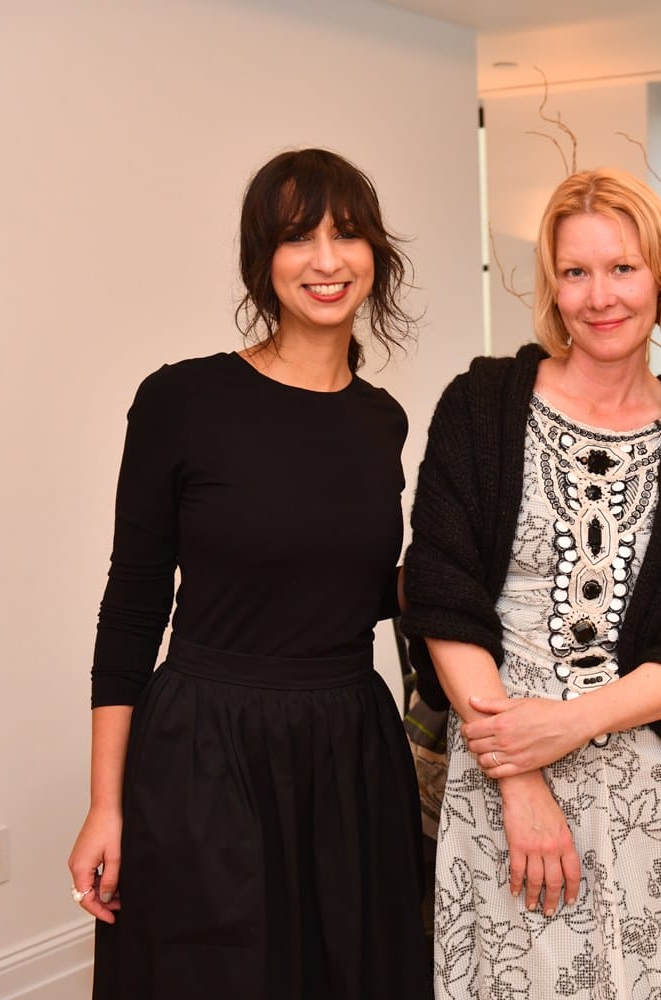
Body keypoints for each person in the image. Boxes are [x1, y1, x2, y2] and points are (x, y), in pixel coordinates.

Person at [67, 148, 431, 1000]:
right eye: (298, 238)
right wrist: (105, 804)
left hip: (348, 749)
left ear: (377, 255)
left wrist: (454, 579)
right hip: (206, 750)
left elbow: (351, 586)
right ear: (261, 261)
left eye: (348, 235)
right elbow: (131, 607)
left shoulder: (383, 419)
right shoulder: (183, 401)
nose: (327, 260)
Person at [401, 167, 661, 998]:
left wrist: (574, 724)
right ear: (553, 288)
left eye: (623, 268)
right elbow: (442, 593)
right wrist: (521, 778)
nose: (601, 296)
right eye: (576, 272)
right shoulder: (483, 402)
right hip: (503, 766)